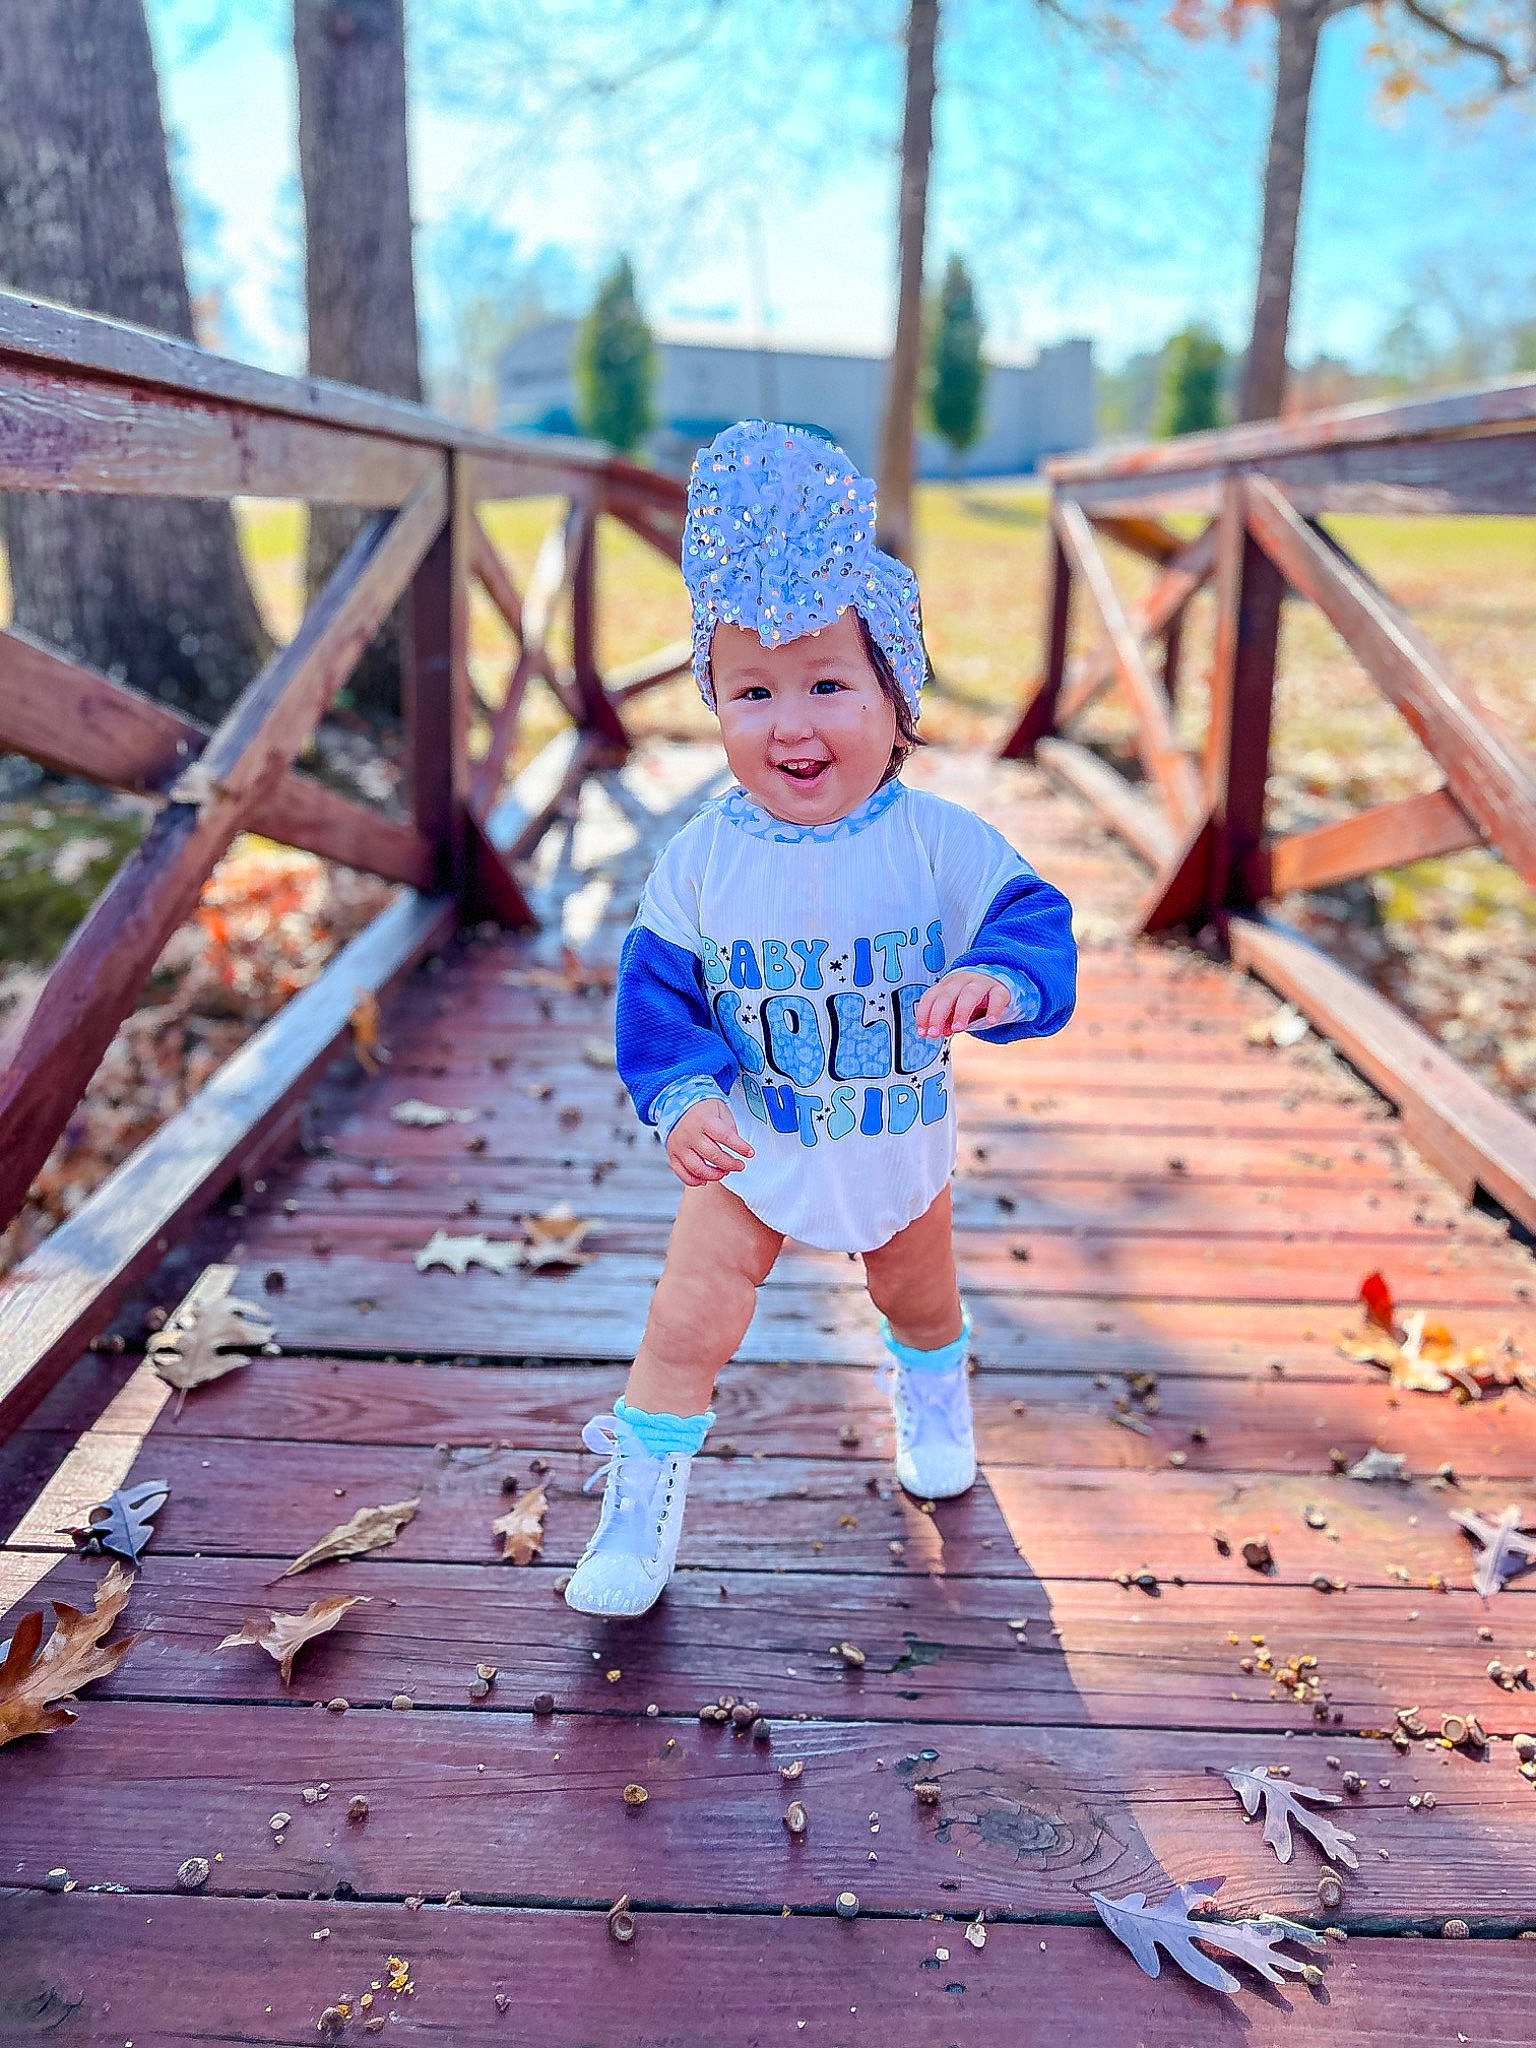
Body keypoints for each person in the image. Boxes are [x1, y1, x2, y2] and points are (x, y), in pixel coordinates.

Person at [563, 419, 1076, 1618]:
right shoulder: (700, 861)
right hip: (753, 1143)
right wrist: (684, 1091)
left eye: (829, 683)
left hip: (894, 1138)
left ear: (898, 701)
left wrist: (1000, 980)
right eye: (752, 691)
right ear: (717, 706)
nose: (791, 723)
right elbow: (658, 993)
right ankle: (637, 1508)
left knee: (919, 1296)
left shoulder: (932, 841)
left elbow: (1028, 916)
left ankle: (934, 1390)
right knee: (685, 1325)